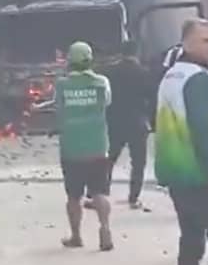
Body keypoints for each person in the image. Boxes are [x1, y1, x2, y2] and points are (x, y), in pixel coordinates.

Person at [155, 18, 208, 265]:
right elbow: (202, 131)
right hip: (203, 175)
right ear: (187, 43)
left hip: (178, 175)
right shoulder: (199, 79)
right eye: (205, 40)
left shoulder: (171, 75)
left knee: (190, 240)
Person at [54, 41, 114, 251]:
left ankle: (76, 236)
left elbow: (58, 107)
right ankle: (105, 229)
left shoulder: (62, 85)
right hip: (98, 146)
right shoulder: (102, 82)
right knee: (99, 193)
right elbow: (107, 102)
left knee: (74, 196)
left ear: (69, 61)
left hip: (72, 148)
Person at [85, 39, 152, 209]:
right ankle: (133, 198)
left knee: (107, 160)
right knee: (138, 163)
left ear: (121, 53)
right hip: (137, 122)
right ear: (137, 53)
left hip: (114, 121)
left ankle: (99, 194)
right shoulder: (144, 73)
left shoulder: (109, 72)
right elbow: (152, 97)